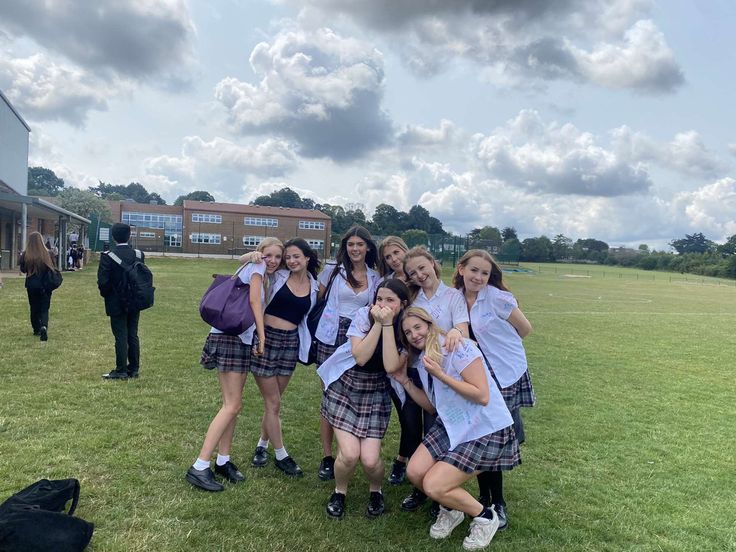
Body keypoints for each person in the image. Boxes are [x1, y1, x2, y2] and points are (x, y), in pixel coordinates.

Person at [395, 307, 520, 550]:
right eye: (408, 332)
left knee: (433, 485)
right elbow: (433, 406)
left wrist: (441, 375)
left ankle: (485, 517)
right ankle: (451, 510)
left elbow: (482, 396)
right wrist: (404, 381)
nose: (414, 335)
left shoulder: (458, 347)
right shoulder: (423, 361)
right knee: (415, 471)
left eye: (417, 327)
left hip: (484, 426)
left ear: (429, 324)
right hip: (452, 423)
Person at [185, 238, 282, 492]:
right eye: (268, 254)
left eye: (278, 257)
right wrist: (262, 336)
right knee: (232, 405)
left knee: (233, 405)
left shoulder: (252, 265)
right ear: (260, 253)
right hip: (231, 339)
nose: (272, 260)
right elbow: (253, 302)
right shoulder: (257, 267)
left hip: (233, 338)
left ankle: (223, 460)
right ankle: (199, 466)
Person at [453, 250, 534, 530]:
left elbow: (525, 329)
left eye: (484, 273)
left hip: (507, 374)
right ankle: (486, 497)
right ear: (461, 268)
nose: (478, 277)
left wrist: (500, 346)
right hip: (479, 376)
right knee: (484, 436)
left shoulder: (498, 298)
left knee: (495, 440)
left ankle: (497, 502)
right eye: (473, 270)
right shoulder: (455, 298)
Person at [318, 279, 411, 519]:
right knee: (348, 454)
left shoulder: (406, 327)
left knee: (370, 460)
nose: (382, 304)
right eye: (379, 299)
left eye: (390, 300)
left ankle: (376, 490)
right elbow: (360, 357)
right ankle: (340, 491)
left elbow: (391, 365)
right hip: (346, 387)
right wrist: (378, 324)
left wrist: (388, 324)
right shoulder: (362, 315)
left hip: (376, 392)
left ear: (402, 304)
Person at [400, 246, 470, 513]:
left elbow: (462, 330)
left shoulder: (453, 296)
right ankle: (421, 489)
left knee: (439, 430)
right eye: (412, 273)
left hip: (447, 375)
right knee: (419, 430)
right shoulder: (413, 299)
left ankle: (439, 492)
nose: (419, 275)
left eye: (422, 267)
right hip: (421, 374)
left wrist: (454, 330)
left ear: (432, 263)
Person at [243, 238, 320, 477]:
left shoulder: (315, 286)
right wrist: (252, 255)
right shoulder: (276, 276)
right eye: (288, 257)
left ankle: (262, 445)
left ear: (307, 258)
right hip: (266, 340)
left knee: (274, 403)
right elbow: (248, 266)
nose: (291, 261)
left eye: (296, 256)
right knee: (273, 403)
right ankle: (281, 455)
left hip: (290, 344)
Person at [313, 225, 380, 481]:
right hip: (330, 336)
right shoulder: (332, 271)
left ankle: (347, 450)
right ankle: (328, 456)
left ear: (367, 248)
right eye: (350, 245)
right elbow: (317, 299)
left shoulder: (376, 277)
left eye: (359, 245)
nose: (355, 249)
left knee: (351, 394)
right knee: (330, 396)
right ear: (345, 247)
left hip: (358, 339)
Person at [97, 223, 147, 380]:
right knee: (133, 334)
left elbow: (103, 282)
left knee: (120, 335)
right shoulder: (139, 254)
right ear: (129, 235)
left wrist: (107, 294)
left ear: (113, 236)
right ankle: (134, 368)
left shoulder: (107, 256)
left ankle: (121, 370)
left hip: (116, 300)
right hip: (135, 299)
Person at [19, 231, 57, 341]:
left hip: (31, 285)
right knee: (44, 307)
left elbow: (23, 269)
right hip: (45, 284)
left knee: (34, 307)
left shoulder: (26, 254)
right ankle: (44, 325)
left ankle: (36, 328)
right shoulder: (48, 253)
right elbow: (52, 267)